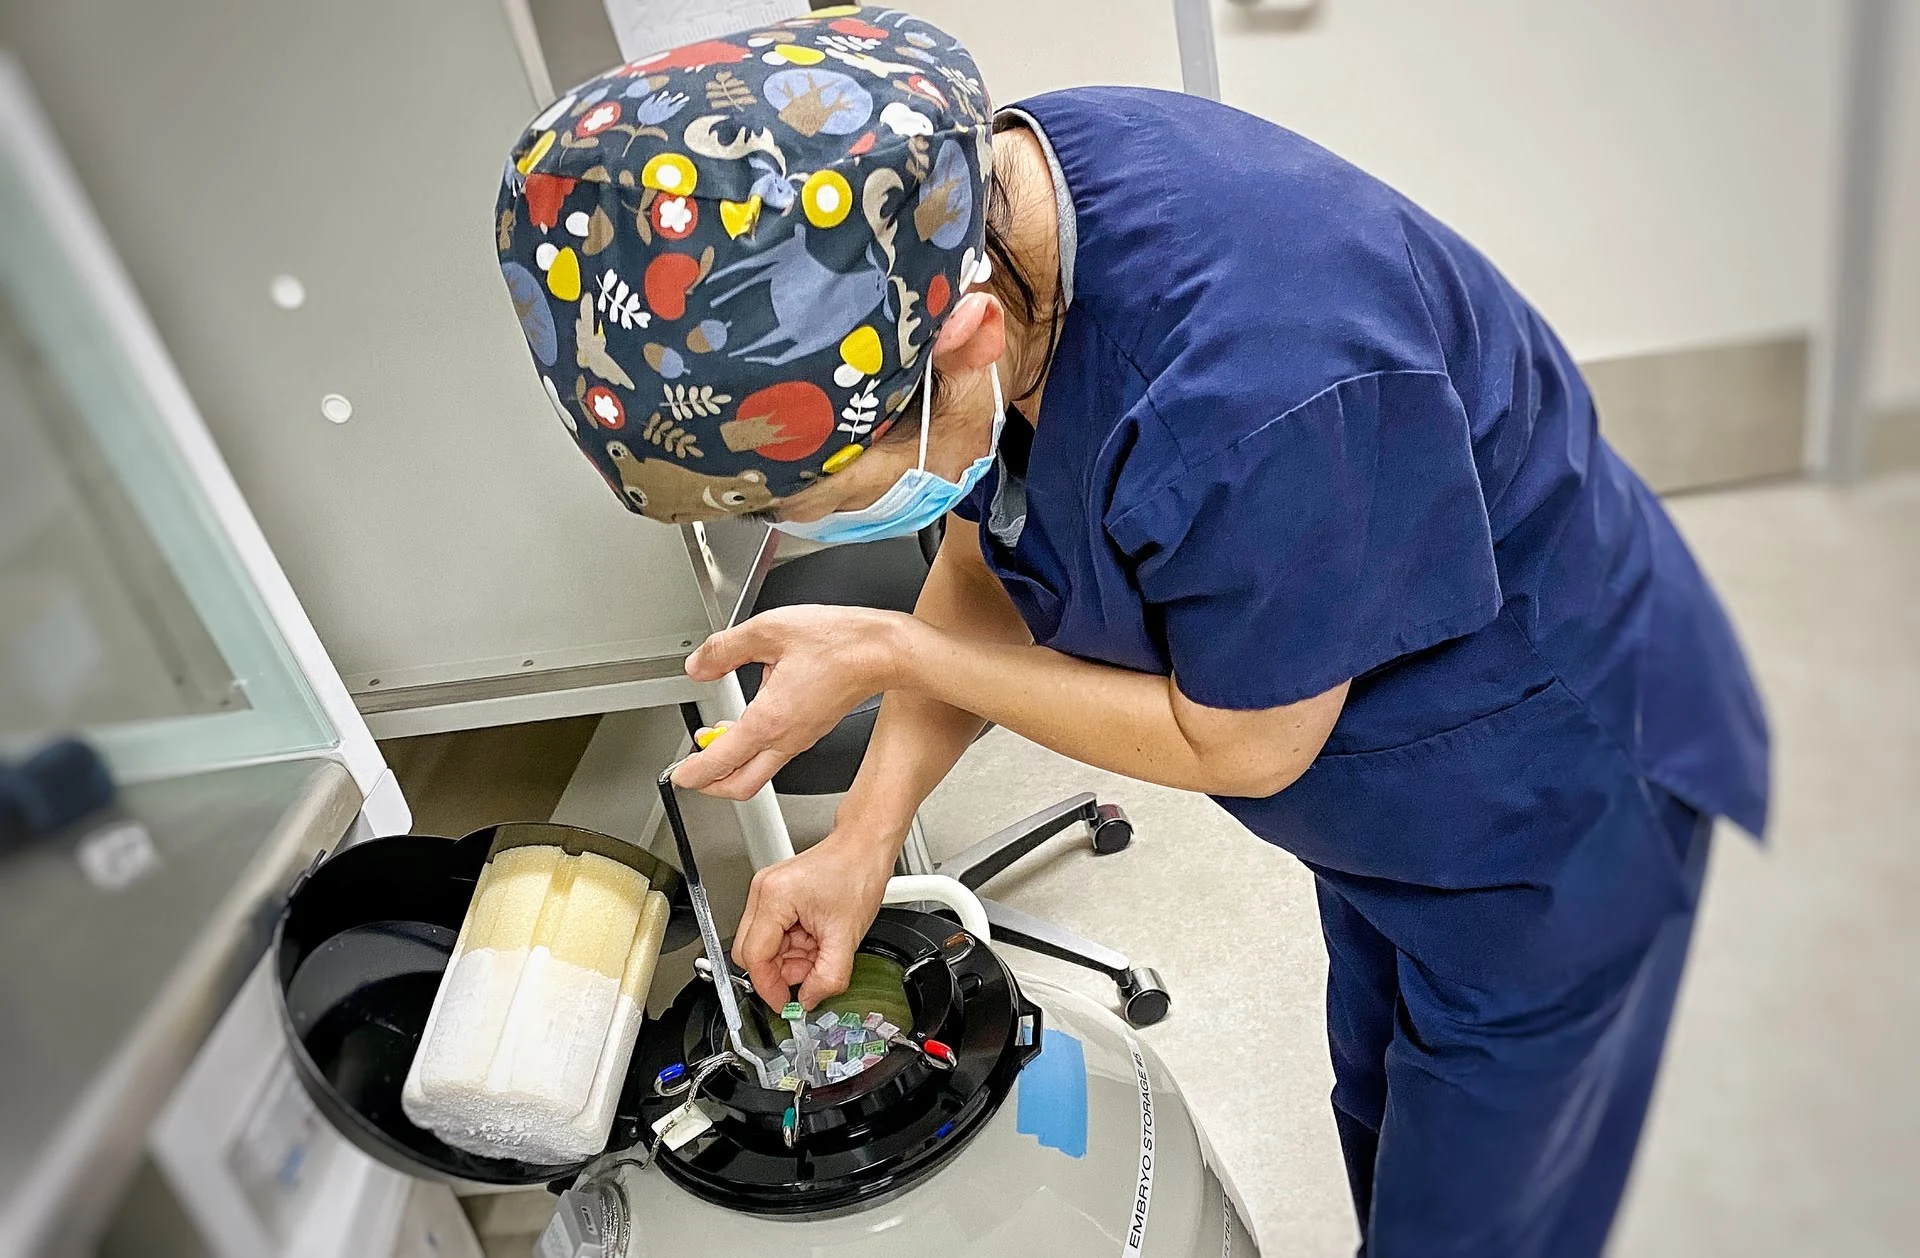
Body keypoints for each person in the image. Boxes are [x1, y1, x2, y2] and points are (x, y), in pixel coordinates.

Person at [494, 8, 1769, 1255]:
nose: (840, 525)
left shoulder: (1258, 387)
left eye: (829, 495)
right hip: (1394, 808)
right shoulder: (992, 216)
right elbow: (993, 531)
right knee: (1385, 1109)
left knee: (1483, 1206)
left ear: (966, 340)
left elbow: (1250, 741)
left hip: (1552, 801)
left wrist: (893, 654)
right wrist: (864, 839)